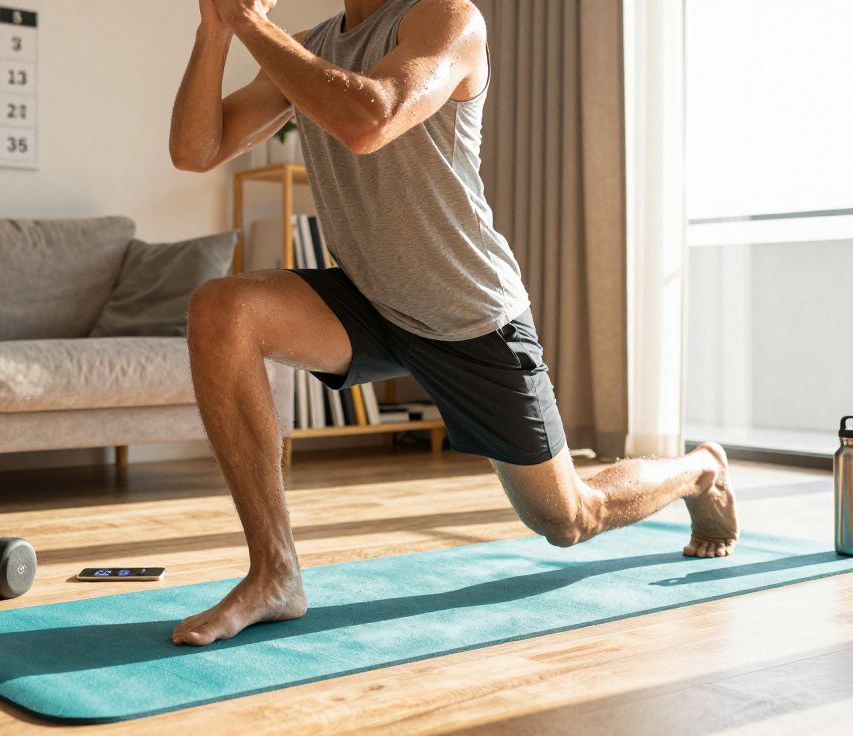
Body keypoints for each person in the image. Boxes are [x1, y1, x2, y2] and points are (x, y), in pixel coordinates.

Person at [166, 0, 739, 647]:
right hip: (372, 300)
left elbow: (371, 117)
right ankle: (274, 572)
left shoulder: (448, 19)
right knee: (221, 309)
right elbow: (195, 149)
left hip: (467, 314)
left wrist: (250, 24)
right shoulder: (307, 45)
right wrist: (214, 32)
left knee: (569, 516)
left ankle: (700, 468)